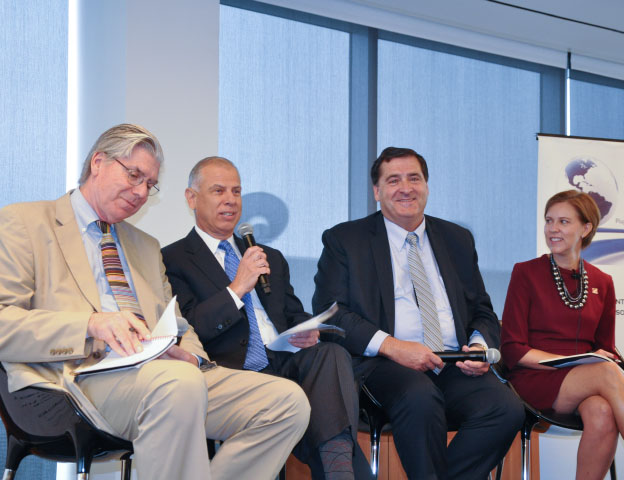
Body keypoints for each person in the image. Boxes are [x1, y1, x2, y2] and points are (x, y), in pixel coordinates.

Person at [0, 124, 310, 480]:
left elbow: (177, 322)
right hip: (73, 379)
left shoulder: (145, 245)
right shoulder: (25, 223)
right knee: (177, 385)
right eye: (134, 175)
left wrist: (191, 355)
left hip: (163, 375)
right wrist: (91, 324)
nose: (140, 192)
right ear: (98, 163)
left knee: (286, 403)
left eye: (149, 184)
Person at [312, 146, 523, 479]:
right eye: (393, 180)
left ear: (426, 185)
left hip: (453, 361)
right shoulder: (345, 240)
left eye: (414, 178)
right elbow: (331, 314)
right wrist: (395, 347)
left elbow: (481, 307)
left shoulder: (457, 238)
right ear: (377, 192)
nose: (406, 188)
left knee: (506, 409)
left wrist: (481, 347)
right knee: (420, 397)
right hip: (384, 364)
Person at [161, 156, 371, 480]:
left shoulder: (267, 256)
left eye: (236, 191)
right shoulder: (172, 259)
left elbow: (292, 312)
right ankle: (339, 469)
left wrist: (307, 331)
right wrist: (236, 289)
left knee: (330, 354)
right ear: (192, 198)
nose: (230, 200)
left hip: (283, 362)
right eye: (219, 191)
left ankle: (338, 468)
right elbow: (190, 329)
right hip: (231, 372)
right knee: (325, 397)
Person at [501, 189, 624, 480]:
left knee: (602, 413)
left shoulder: (603, 282)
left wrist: (595, 360)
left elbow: (605, 348)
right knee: (607, 372)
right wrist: (574, 361)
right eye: (549, 220)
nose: (553, 229)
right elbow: (513, 348)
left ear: (586, 228)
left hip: (585, 381)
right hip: (534, 378)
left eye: (563, 222)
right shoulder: (525, 273)